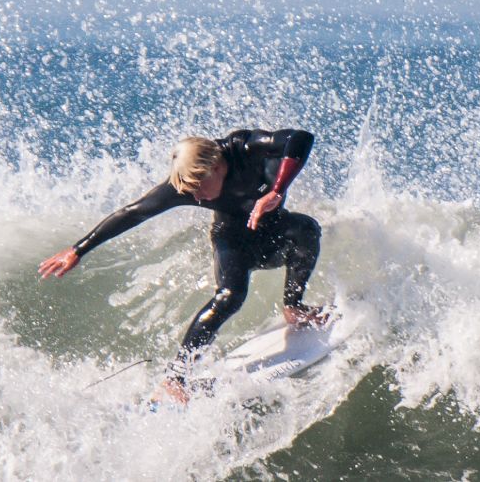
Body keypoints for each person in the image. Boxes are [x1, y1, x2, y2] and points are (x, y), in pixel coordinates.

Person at [38, 128, 325, 404]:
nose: (196, 199)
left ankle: (293, 306)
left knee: (307, 229)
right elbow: (133, 213)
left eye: (198, 189)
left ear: (215, 167)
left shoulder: (244, 148)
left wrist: (277, 190)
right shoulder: (188, 186)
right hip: (233, 240)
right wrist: (79, 249)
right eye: (190, 193)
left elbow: (299, 139)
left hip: (274, 233)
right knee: (229, 296)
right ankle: (175, 379)